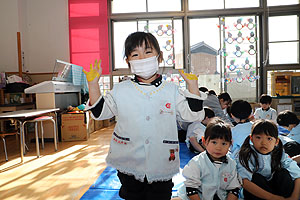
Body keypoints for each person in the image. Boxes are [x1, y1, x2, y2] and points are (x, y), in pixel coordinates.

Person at [84, 31, 207, 200]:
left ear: (159, 56)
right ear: (128, 61)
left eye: (148, 52)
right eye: (135, 54)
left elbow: (194, 116)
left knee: (161, 195)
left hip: (162, 160)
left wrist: (193, 86)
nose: (142, 58)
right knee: (131, 195)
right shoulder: (121, 89)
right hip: (129, 160)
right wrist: (93, 86)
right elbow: (100, 113)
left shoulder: (171, 90)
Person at [177, 118, 241, 200]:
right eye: (214, 142)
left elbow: (234, 190)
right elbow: (191, 189)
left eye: (224, 143)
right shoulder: (197, 163)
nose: (218, 148)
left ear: (230, 144)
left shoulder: (231, 164)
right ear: (204, 142)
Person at [237, 119, 300, 200]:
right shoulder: (246, 155)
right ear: (251, 139)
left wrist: (294, 197)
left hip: (278, 192)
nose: (264, 143)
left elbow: (297, 174)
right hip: (259, 194)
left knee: (283, 173)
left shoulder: (280, 154)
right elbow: (244, 182)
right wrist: (273, 198)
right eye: (258, 137)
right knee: (256, 178)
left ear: (276, 141)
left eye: (269, 138)